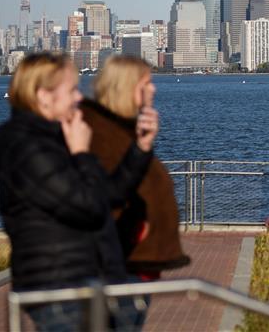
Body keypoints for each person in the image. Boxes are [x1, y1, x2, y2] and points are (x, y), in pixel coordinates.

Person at [0, 53, 155, 331]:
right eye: (72, 90)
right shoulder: (23, 146)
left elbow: (109, 196)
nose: (79, 98)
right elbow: (87, 207)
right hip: (60, 287)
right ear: (43, 96)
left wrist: (140, 149)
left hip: (92, 280)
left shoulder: (57, 138)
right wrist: (81, 154)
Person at [81, 56, 190, 280]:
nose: (154, 88)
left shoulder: (123, 132)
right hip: (119, 264)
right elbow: (108, 194)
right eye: (146, 83)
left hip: (136, 263)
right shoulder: (100, 135)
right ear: (127, 88)